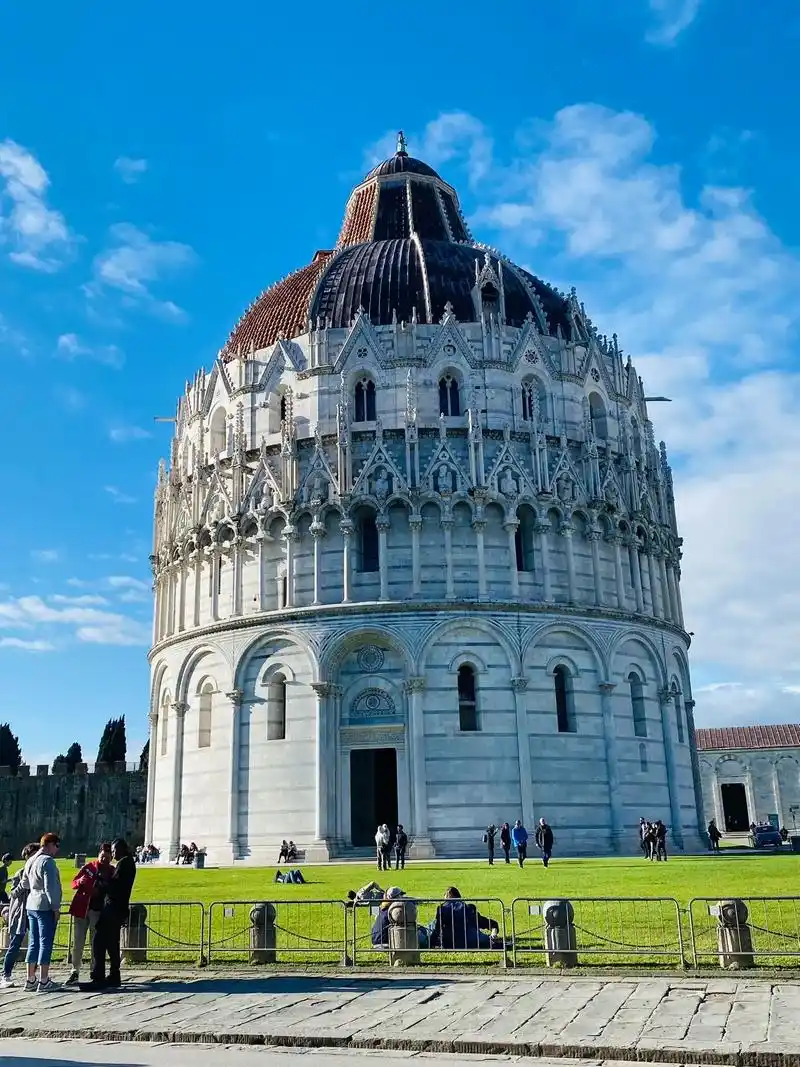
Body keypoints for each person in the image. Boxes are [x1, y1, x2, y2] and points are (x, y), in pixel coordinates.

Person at [82, 838, 136, 991]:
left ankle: (98, 976)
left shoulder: (124, 863)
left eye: (114, 850)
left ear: (122, 849)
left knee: (98, 941)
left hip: (113, 907)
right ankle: (114, 974)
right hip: (118, 907)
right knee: (112, 943)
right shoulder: (128, 863)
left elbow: (115, 888)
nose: (113, 853)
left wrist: (100, 880)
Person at [66, 842, 114, 986]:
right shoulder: (89, 867)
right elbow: (73, 883)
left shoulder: (112, 871)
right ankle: (75, 970)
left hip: (98, 912)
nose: (104, 859)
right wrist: (80, 881)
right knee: (78, 941)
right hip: (82, 909)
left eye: (107, 857)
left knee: (96, 943)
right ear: (99, 854)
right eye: (102, 856)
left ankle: (96, 970)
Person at [25, 832, 63, 993]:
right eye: (57, 846)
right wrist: (55, 908)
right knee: (45, 942)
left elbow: (25, 883)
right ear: (50, 844)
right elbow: (50, 888)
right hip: (44, 906)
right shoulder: (47, 862)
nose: (57, 850)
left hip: (31, 904)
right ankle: (44, 979)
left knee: (33, 942)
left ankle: (30, 979)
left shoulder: (31, 860)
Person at [0, 843, 39, 989]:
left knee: (36, 944)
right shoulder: (20, 873)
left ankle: (32, 975)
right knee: (15, 944)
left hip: (36, 912)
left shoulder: (40, 872)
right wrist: (24, 884)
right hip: (21, 913)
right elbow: (13, 894)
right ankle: (6, 974)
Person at [429, 887, 500, 950]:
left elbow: (436, 930)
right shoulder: (469, 908)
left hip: (449, 945)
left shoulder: (442, 909)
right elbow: (491, 924)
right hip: (472, 942)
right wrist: (494, 932)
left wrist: (430, 944)